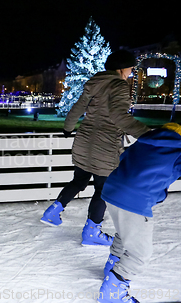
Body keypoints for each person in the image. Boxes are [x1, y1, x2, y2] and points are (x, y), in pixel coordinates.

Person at [40, 50, 151, 246]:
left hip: (84, 140)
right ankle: (92, 232)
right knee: (103, 189)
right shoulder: (119, 85)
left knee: (79, 180)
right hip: (105, 144)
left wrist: (68, 127)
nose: (131, 72)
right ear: (121, 68)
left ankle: (53, 211)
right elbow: (119, 116)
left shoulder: (95, 82)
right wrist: (148, 135)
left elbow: (78, 107)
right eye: (130, 68)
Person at [97, 123, 181, 303]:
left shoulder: (144, 141)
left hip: (112, 189)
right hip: (135, 198)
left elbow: (125, 158)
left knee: (123, 230)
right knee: (140, 254)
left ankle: (111, 267)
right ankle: (112, 292)